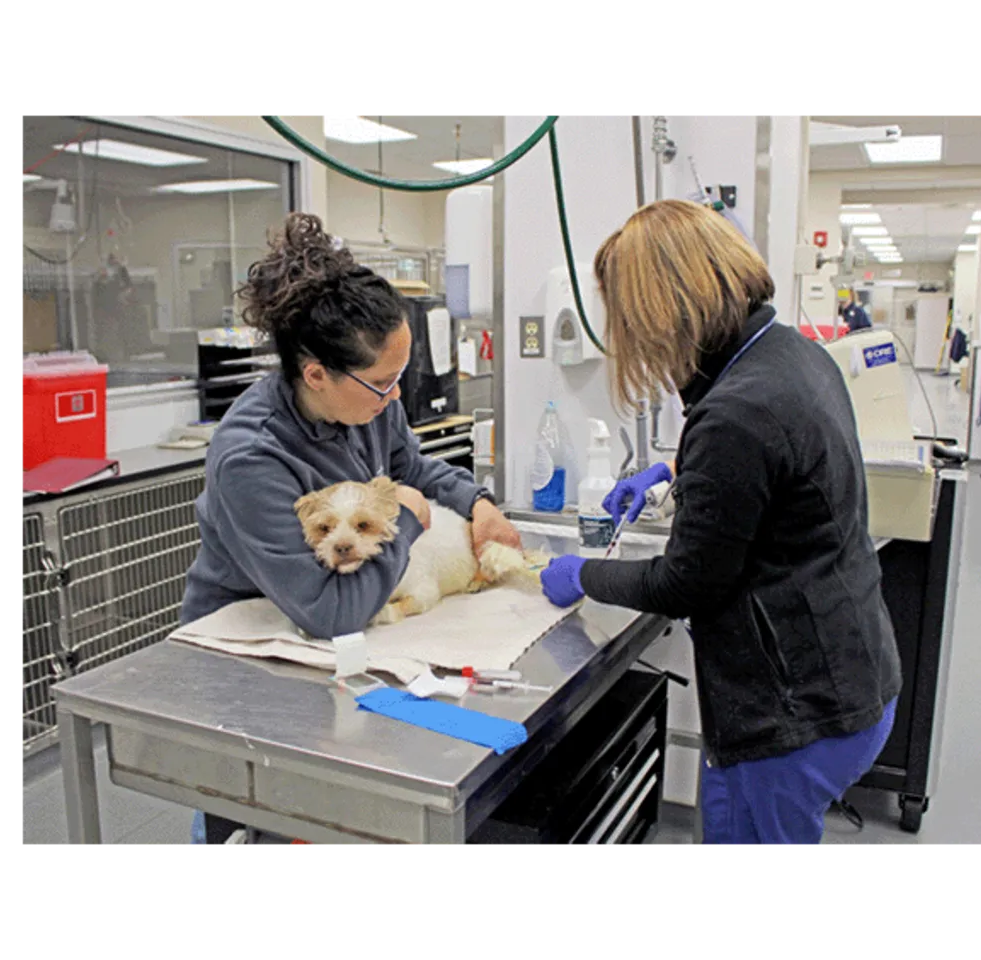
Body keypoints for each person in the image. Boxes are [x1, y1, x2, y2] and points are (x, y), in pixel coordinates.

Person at [538, 199, 901, 848]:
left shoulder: (735, 411)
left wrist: (582, 574)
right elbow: (777, 463)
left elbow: (687, 584)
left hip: (788, 720)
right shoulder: (789, 354)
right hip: (855, 678)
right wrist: (676, 470)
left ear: (661, 310)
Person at [181, 212, 521, 847]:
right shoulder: (252, 457)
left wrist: (476, 504)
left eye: (401, 379)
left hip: (332, 650)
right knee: (259, 817)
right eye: (383, 383)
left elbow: (409, 466)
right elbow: (329, 609)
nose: (395, 399)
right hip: (255, 654)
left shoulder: (364, 410)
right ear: (315, 374)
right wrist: (413, 522)